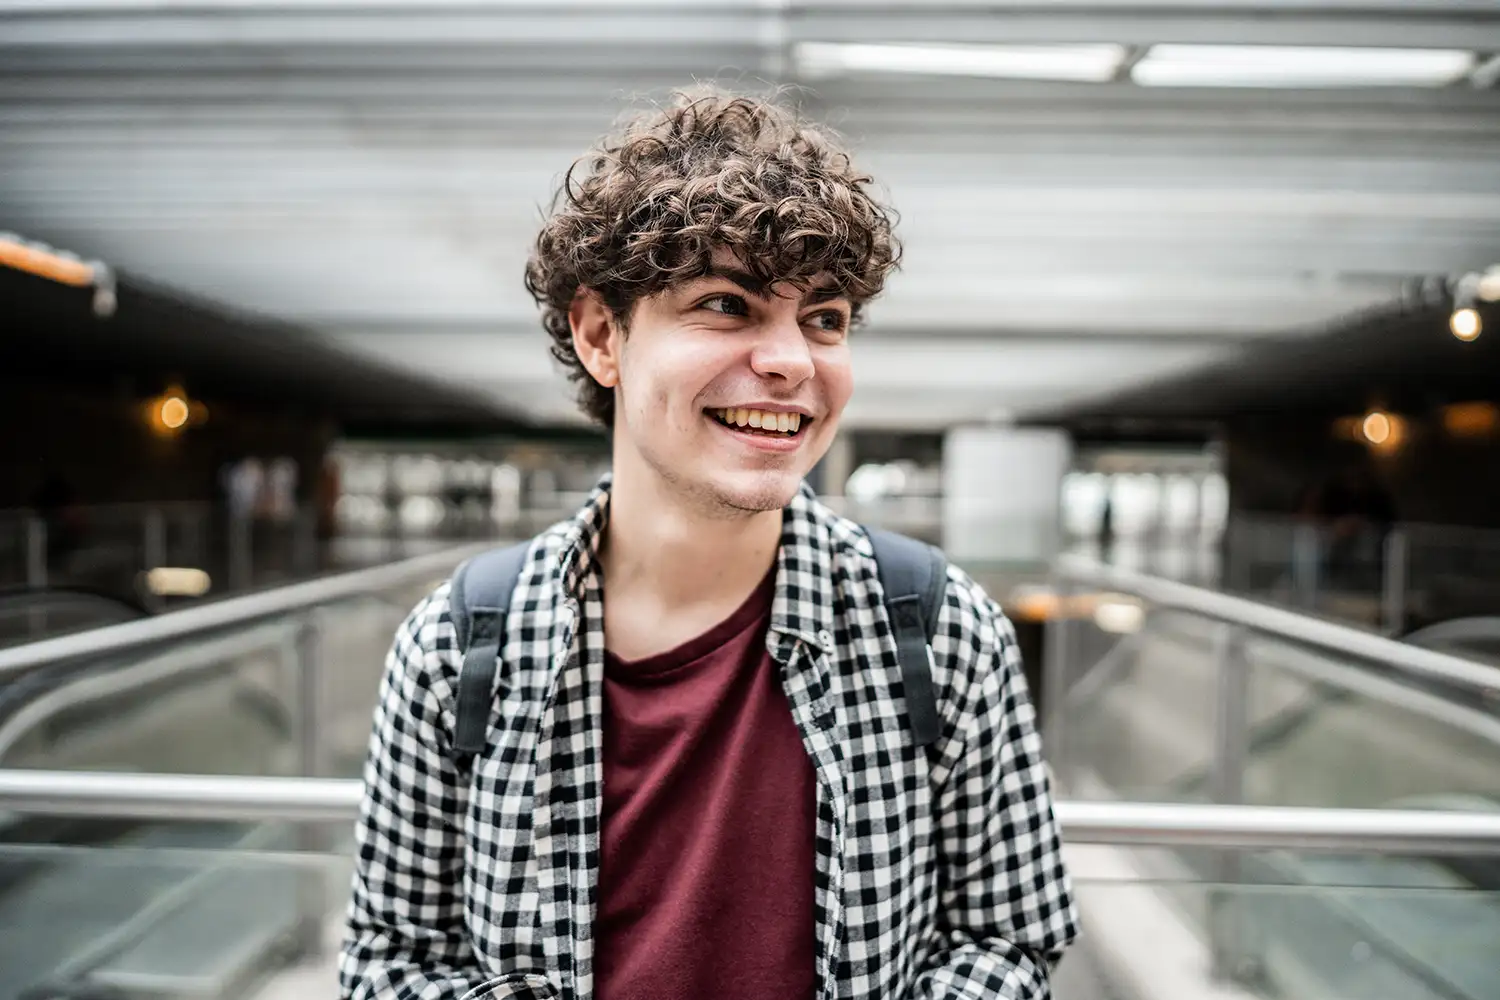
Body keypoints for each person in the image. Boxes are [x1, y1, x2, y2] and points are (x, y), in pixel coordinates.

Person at [339, 89, 1078, 1000]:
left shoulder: (938, 630)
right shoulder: (461, 648)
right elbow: (390, 960)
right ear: (601, 334)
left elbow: (1008, 937)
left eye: (826, 318)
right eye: (728, 305)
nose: (794, 362)